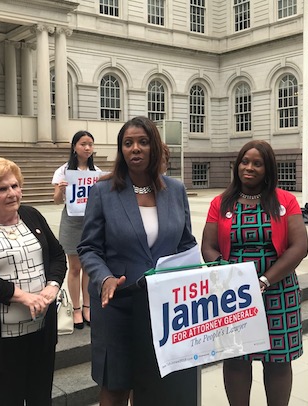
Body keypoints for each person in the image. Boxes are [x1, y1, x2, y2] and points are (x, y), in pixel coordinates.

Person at [78, 116, 197, 406]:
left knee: (156, 387)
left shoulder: (175, 190)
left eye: (143, 142)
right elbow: (89, 247)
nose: (135, 149)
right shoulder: (103, 191)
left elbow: (186, 244)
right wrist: (104, 277)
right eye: (128, 143)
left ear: (154, 147)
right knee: (116, 386)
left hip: (165, 308)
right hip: (117, 304)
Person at [201, 140, 308, 406]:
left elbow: (300, 246)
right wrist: (228, 275)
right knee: (237, 358)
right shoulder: (221, 202)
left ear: (267, 168)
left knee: (278, 359)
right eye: (244, 162)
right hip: (234, 294)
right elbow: (208, 246)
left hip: (277, 289)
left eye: (257, 163)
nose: (249, 168)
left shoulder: (285, 201)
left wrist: (264, 280)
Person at [0, 157, 66, 405]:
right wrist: (22, 296)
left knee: (41, 399)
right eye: (2, 189)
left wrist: (52, 286)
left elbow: (57, 255)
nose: (12, 193)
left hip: (40, 334)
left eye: (15, 186)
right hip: (1, 341)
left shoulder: (32, 216)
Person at [52, 130, 100, 329]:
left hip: (90, 222)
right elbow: (55, 201)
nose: (87, 148)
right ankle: (77, 308)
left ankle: (88, 306)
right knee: (75, 267)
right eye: (83, 144)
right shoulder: (63, 171)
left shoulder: (96, 172)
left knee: (89, 266)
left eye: (90, 144)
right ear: (74, 147)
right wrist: (61, 190)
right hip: (71, 221)